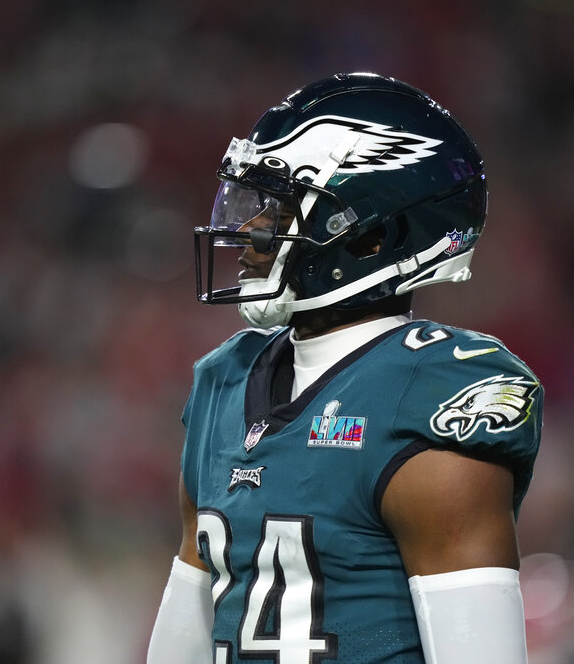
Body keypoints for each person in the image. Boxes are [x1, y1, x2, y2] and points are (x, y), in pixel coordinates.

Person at [148, 72, 543, 663]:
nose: (252, 230)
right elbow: (184, 631)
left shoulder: (432, 395)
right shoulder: (222, 382)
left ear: (369, 237)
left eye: (280, 207)